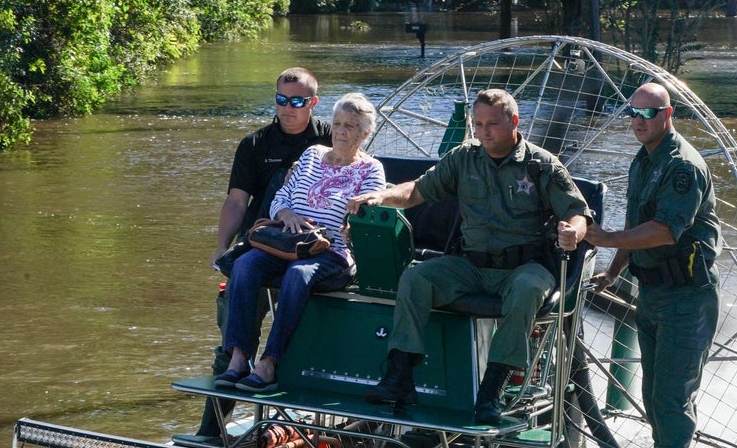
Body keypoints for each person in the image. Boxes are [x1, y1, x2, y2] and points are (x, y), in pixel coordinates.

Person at [346, 88, 590, 425]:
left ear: (514, 121)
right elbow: (418, 190)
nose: (484, 131)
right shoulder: (464, 157)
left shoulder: (541, 165)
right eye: (478, 124)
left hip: (524, 267)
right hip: (471, 265)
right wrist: (382, 196)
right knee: (417, 278)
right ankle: (400, 377)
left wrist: (573, 232)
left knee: (528, 291)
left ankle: (491, 392)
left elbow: (578, 213)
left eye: (492, 124)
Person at [587, 82, 721, 448]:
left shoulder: (682, 166)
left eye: (648, 113)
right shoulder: (643, 161)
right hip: (653, 294)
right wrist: (614, 268)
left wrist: (603, 239)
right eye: (632, 113)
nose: (638, 121)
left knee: (671, 396)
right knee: (652, 392)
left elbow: (665, 230)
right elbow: (636, 223)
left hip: (687, 297)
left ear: (669, 114)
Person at [216, 93, 386, 392]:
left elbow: (363, 218)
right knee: (245, 264)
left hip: (331, 250)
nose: (341, 131)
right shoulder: (311, 155)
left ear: (366, 132)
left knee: (298, 274)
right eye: (337, 124)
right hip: (287, 242)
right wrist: (286, 213)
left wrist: (335, 228)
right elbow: (281, 195)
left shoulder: (371, 170)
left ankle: (270, 362)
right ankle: (238, 358)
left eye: (351, 126)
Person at [208, 68, 332, 371]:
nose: (288, 108)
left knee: (304, 343)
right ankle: (229, 383)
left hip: (311, 243)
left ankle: (279, 379)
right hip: (261, 240)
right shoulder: (254, 144)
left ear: (313, 102)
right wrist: (222, 246)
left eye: (297, 102)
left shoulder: (333, 138)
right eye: (281, 99)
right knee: (230, 342)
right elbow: (237, 201)